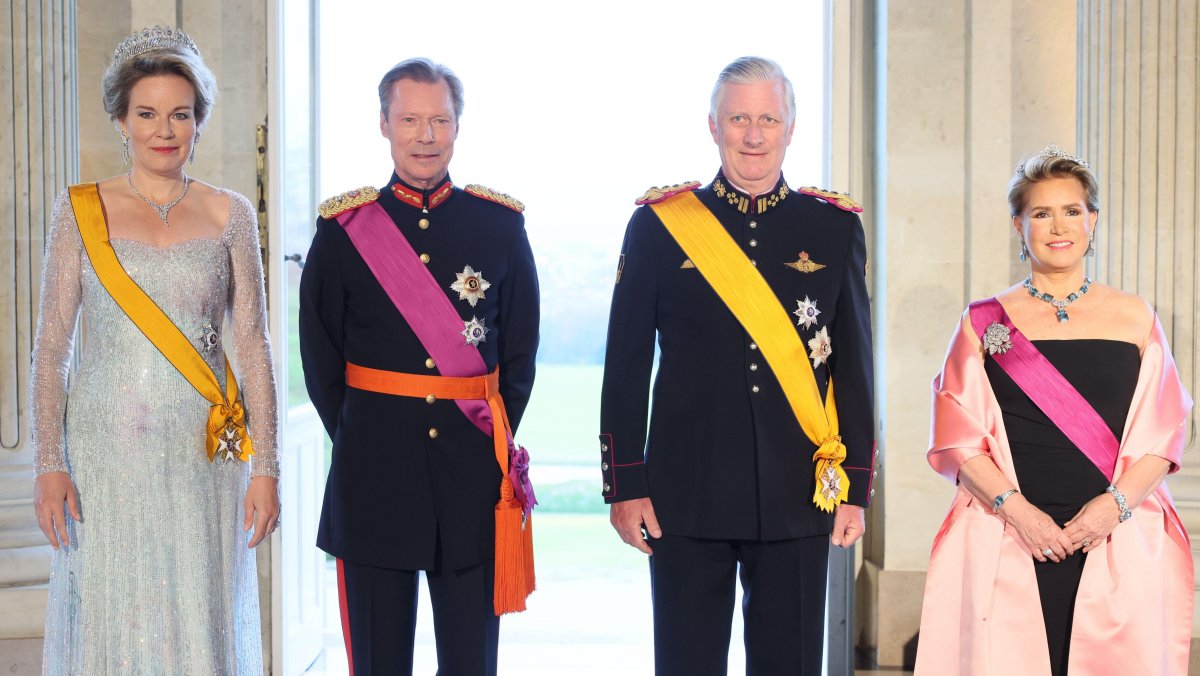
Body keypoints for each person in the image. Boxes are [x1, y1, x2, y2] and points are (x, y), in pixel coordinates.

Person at [599, 56, 876, 675]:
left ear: (791, 127)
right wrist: (627, 482)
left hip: (798, 490)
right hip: (684, 493)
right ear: (713, 125)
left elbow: (855, 364)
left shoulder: (832, 227)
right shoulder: (659, 225)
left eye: (768, 119)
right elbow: (625, 365)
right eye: (739, 119)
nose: (754, 135)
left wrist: (855, 485)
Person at [29, 25, 280, 674]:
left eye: (180, 114)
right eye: (146, 114)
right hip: (106, 448)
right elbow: (52, 346)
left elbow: (252, 343)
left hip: (207, 450)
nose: (163, 129)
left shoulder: (230, 215)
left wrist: (267, 470)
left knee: (198, 610)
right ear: (120, 119)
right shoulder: (81, 210)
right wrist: (49, 463)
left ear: (199, 121)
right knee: (122, 612)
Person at [300, 57, 540, 676]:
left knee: (471, 663)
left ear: (458, 126)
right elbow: (321, 357)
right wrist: (361, 434)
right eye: (410, 119)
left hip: (470, 477)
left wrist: (487, 430)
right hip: (373, 474)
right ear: (384, 124)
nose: (425, 135)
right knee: (379, 662)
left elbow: (517, 356)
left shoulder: (499, 225)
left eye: (439, 120)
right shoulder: (345, 229)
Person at [915, 145, 1193, 675]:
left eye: (1072, 210)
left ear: (1092, 220)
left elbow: (1166, 434)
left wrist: (1111, 509)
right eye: (1041, 213)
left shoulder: (1134, 316)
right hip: (1010, 531)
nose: (1057, 225)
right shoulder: (984, 320)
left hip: (1114, 528)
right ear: (1019, 225)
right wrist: (1022, 516)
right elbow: (956, 438)